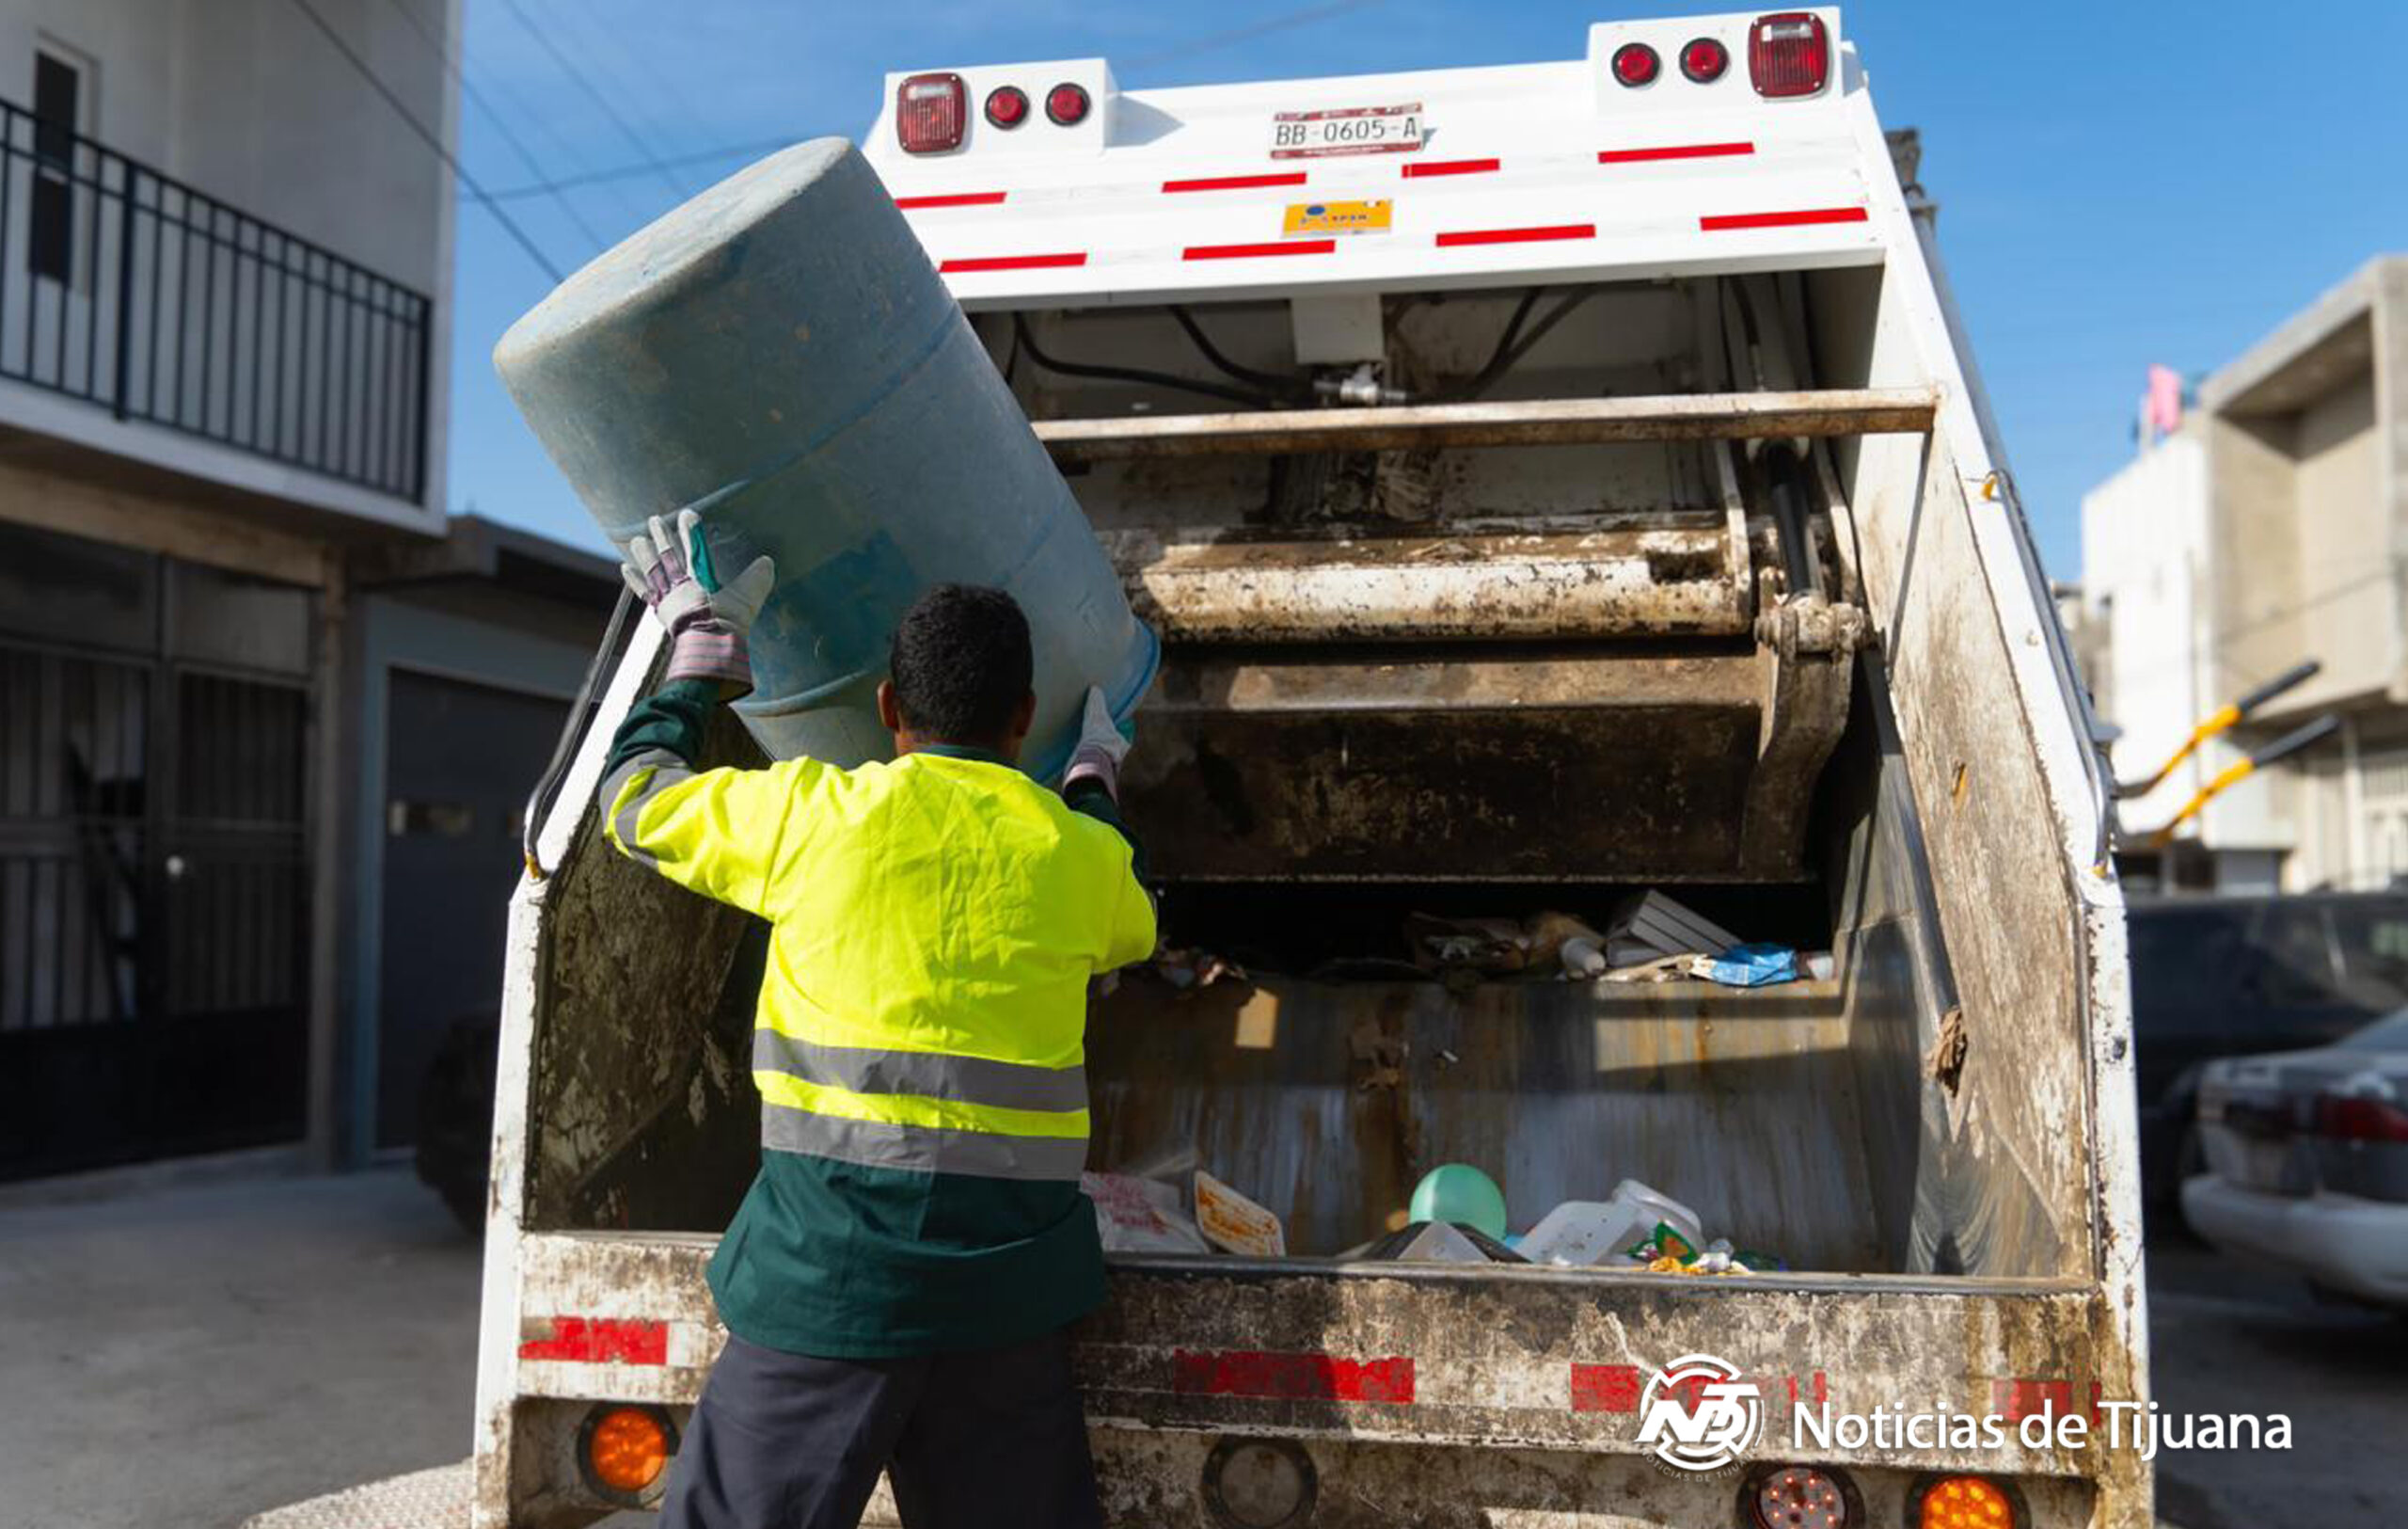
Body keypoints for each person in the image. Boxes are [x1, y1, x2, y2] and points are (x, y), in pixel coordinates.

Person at [599, 509, 1155, 1529]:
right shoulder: (1078, 861)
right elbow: (1125, 907)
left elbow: (635, 800)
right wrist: (1090, 785)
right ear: (1023, 717)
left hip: (825, 1291)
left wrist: (700, 664)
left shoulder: (813, 817)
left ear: (888, 704)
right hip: (1006, 1307)